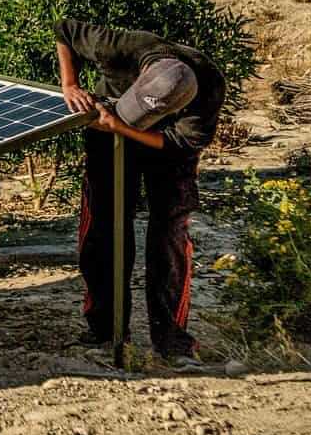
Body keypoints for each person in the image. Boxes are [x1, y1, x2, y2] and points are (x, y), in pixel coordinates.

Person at [54, 19, 226, 366]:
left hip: (167, 148)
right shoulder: (121, 46)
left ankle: (172, 342)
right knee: (104, 226)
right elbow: (63, 30)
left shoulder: (208, 87)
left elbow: (180, 142)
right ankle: (105, 330)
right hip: (107, 126)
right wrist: (70, 85)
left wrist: (124, 128)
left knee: (170, 235)